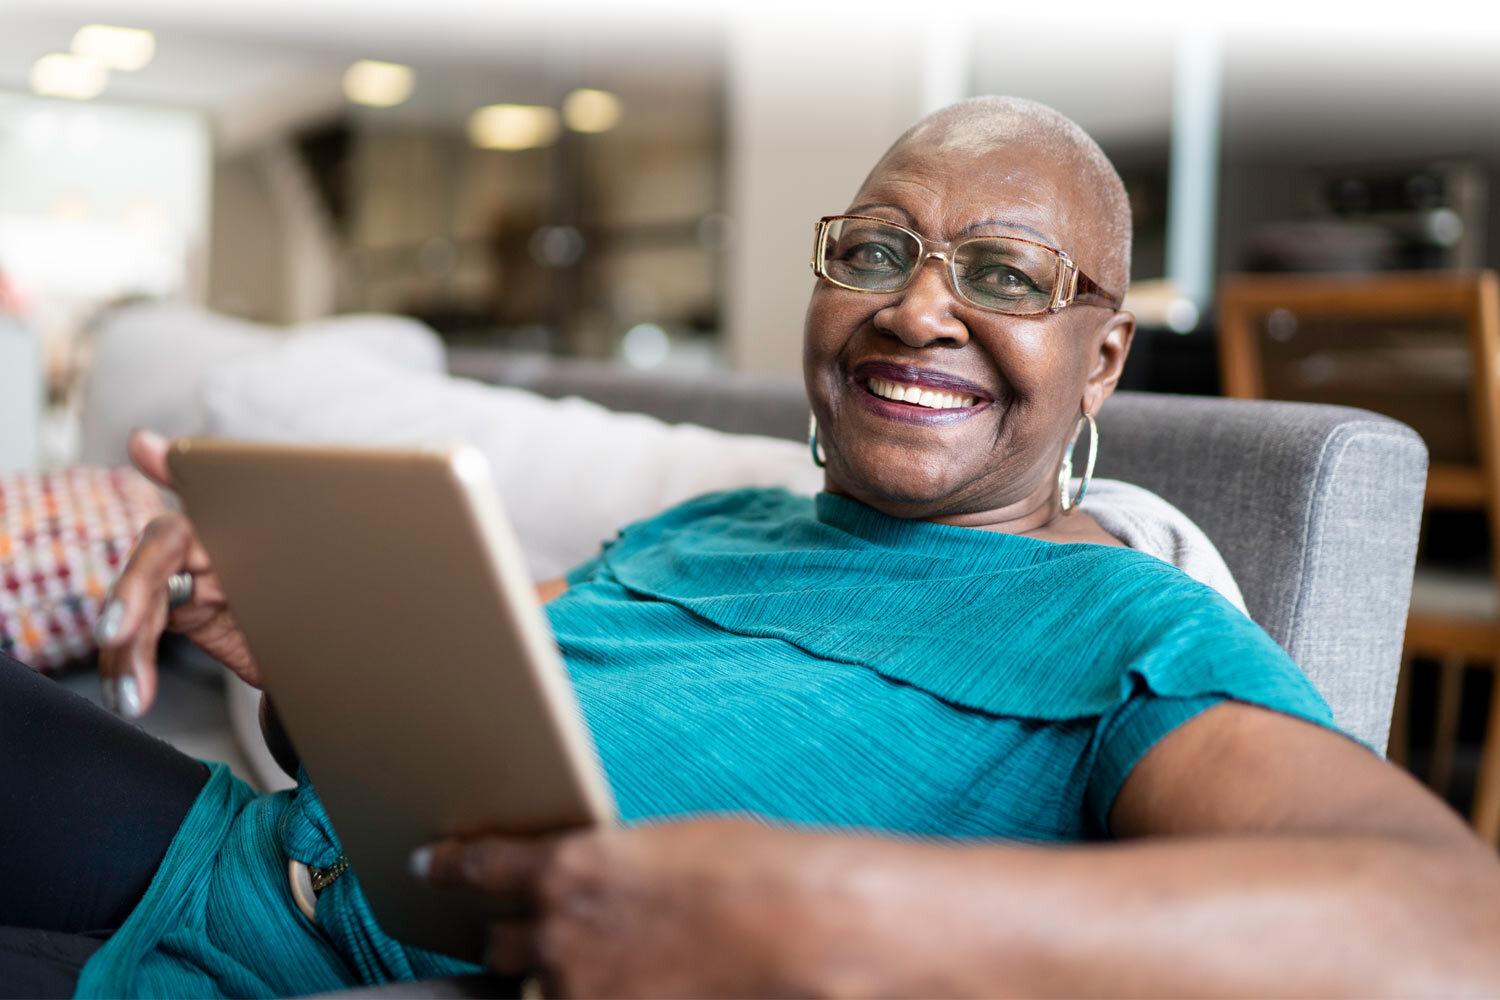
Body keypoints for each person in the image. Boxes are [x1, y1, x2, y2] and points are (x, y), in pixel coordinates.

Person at [3, 96, 1498, 998]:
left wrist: (837, 913)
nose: (919, 308)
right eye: (874, 251)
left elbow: (1450, 934)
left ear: (1101, 361)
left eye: (1004, 275)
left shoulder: (1126, 628)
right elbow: (481, 752)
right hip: (234, 857)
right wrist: (306, 649)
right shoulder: (720, 527)